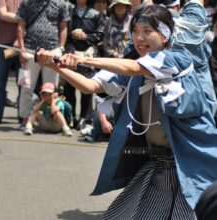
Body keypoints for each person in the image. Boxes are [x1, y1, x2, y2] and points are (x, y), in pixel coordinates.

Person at [36, 5, 217, 218]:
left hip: (191, 164)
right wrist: (57, 66)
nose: (139, 38)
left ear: (166, 35)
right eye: (135, 31)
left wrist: (82, 59)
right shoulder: (132, 67)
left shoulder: (178, 59)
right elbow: (90, 86)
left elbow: (135, 67)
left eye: (147, 31)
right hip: (157, 166)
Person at [16, 0, 71, 130]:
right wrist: (22, 49)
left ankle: (52, 119)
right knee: (26, 87)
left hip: (53, 50)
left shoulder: (61, 3)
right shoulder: (26, 2)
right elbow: (20, 26)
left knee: (51, 89)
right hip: (30, 50)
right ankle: (25, 120)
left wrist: (61, 48)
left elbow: (63, 27)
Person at [64, 0, 105, 130]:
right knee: (69, 86)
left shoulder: (95, 14)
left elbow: (100, 34)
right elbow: (63, 29)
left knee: (86, 88)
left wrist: (85, 36)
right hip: (70, 52)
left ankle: (85, 119)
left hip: (88, 55)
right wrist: (72, 34)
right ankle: (69, 118)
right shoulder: (69, 11)